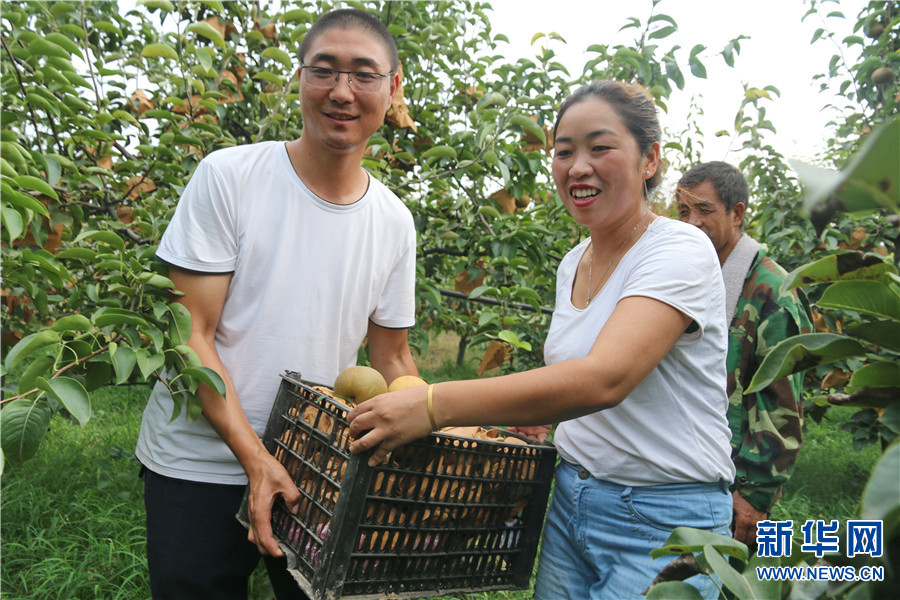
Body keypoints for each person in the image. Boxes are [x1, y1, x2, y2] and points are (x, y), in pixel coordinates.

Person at [347, 80, 735, 600]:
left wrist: (436, 404)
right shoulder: (574, 262)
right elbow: (578, 384)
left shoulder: (680, 250)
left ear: (650, 160)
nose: (577, 167)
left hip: (665, 518)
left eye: (600, 148)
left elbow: (605, 378)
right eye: (563, 151)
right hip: (571, 499)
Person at [134, 9, 419, 599]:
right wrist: (255, 459)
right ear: (300, 80)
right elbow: (191, 335)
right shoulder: (230, 177)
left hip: (317, 467)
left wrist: (439, 422)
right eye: (324, 71)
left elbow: (391, 357)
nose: (342, 91)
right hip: (200, 465)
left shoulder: (394, 221)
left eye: (363, 75)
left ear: (392, 89)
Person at [676, 161, 813, 548]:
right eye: (683, 211)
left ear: (736, 214)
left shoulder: (771, 291)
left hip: (735, 480)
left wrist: (755, 496)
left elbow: (782, 401)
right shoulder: (692, 275)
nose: (691, 222)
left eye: (704, 210)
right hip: (688, 468)